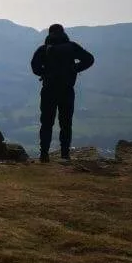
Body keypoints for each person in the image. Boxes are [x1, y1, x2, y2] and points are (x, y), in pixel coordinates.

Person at [30, 23, 95, 162]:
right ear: (63, 32)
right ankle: (65, 154)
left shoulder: (44, 49)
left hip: (48, 90)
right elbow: (89, 59)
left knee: (46, 123)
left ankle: (44, 154)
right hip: (67, 90)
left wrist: (45, 72)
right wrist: (75, 68)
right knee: (66, 124)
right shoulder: (72, 47)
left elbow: (34, 68)